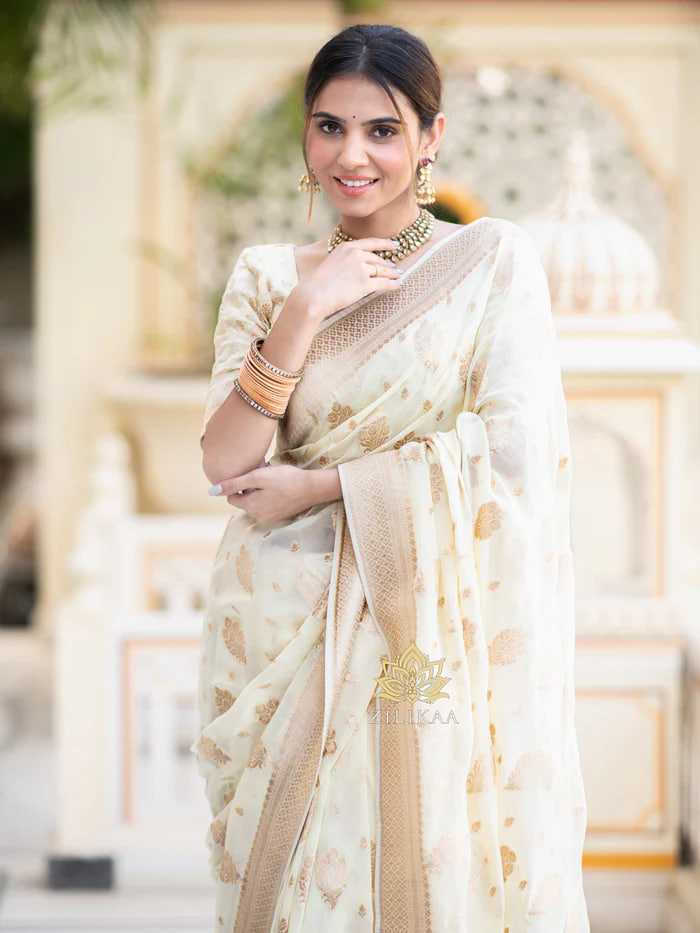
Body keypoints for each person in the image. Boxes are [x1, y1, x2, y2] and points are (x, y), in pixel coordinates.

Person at [191, 22, 590, 933]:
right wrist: (306, 307)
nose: (352, 155)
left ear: (430, 138)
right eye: (329, 127)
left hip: (424, 625)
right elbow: (225, 459)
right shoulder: (267, 278)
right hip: (282, 624)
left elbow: (516, 448)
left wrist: (325, 486)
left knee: (423, 847)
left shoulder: (489, 264)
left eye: (382, 130)